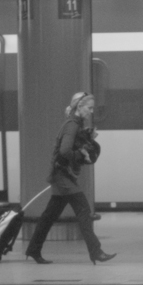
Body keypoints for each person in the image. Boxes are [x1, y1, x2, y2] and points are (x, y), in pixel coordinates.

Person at [25, 92, 115, 266]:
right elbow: (65, 151)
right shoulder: (72, 125)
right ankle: (96, 252)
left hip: (62, 175)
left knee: (49, 215)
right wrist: (82, 156)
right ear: (79, 107)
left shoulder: (75, 125)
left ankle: (33, 249)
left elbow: (69, 147)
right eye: (89, 108)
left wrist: (87, 139)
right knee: (83, 210)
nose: (91, 112)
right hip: (62, 176)